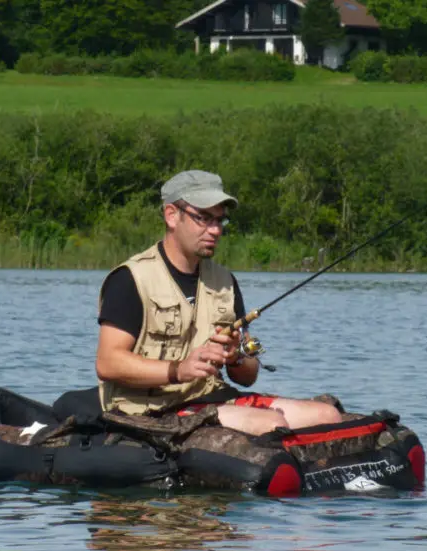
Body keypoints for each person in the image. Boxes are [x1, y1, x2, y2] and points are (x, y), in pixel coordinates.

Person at [95, 169, 341, 436]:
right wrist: (180, 370)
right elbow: (108, 363)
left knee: (327, 416)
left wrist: (235, 357)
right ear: (171, 215)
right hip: (150, 411)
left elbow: (247, 376)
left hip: (212, 401)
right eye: (203, 218)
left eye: (219, 220)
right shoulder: (131, 279)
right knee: (271, 424)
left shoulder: (225, 281)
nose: (214, 230)